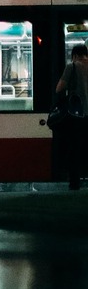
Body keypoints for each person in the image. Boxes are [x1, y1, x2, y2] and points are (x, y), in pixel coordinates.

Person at [54, 43, 88, 190]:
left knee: (74, 148)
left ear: (74, 55)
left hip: (78, 115)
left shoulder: (72, 66)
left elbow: (59, 88)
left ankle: (75, 183)